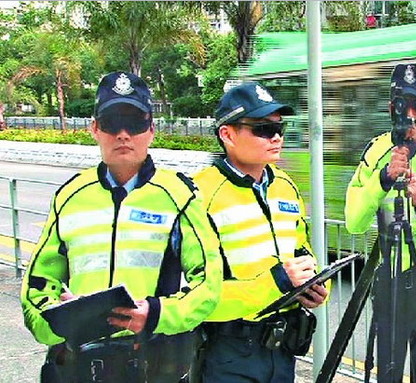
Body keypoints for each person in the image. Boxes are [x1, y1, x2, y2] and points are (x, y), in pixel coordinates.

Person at [20, 71, 223, 383]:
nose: (124, 134)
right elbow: (37, 283)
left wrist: (155, 315)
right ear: (95, 129)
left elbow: (208, 283)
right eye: (112, 122)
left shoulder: (179, 196)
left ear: (152, 130)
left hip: (153, 363)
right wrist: (59, 324)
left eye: (135, 123)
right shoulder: (70, 195)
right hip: (77, 364)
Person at [190, 82, 328, 382]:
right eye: (263, 129)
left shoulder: (285, 185)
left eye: (280, 128)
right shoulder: (199, 195)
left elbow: (300, 250)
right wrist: (278, 281)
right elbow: (194, 297)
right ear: (227, 134)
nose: (276, 137)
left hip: (283, 348)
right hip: (229, 351)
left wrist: (311, 286)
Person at [345, 64, 416, 383]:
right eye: (403, 106)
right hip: (390, 275)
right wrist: (383, 179)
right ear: (391, 109)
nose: (411, 115)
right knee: (388, 371)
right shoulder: (375, 153)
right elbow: (353, 222)